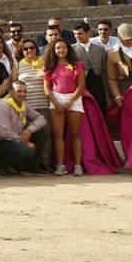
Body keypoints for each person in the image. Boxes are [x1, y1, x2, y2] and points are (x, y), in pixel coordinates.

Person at [43, 38, 86, 176]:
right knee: (57, 134)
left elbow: (81, 87)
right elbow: (47, 89)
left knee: (75, 133)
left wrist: (71, 100)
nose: (61, 50)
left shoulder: (76, 65)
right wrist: (56, 103)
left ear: (68, 49)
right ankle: (60, 166)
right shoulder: (49, 66)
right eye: (58, 48)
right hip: (56, 98)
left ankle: (78, 165)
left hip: (74, 98)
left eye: (64, 48)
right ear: (53, 50)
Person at [0, 80, 47, 174]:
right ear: (10, 92)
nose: (22, 94)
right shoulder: (2, 105)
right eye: (19, 91)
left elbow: (41, 119)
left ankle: (29, 167)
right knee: (27, 151)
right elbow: (4, 132)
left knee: (41, 133)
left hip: (13, 139)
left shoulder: (24, 105)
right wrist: (24, 141)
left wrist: (29, 130)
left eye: (25, 91)